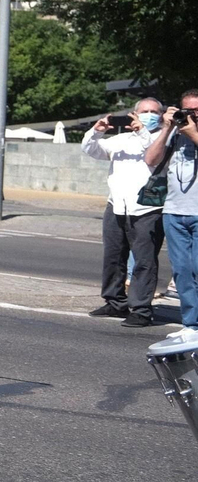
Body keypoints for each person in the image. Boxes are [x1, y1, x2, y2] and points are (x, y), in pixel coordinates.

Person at [84, 100, 165, 326]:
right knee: (113, 256)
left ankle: (141, 309)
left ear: (160, 115)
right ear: (133, 114)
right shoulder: (120, 140)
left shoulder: (163, 137)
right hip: (116, 204)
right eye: (143, 112)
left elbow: (153, 154)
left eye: (153, 112)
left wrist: (142, 130)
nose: (148, 115)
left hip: (147, 208)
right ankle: (115, 301)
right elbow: (91, 150)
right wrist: (96, 131)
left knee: (144, 261)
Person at [146, 92, 198, 330]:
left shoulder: (191, 133)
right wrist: (167, 129)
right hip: (174, 211)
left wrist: (193, 134)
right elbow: (151, 159)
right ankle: (191, 324)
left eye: (196, 110)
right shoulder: (175, 134)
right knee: (182, 272)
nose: (191, 114)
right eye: (187, 109)